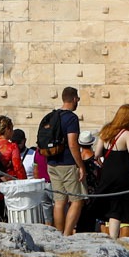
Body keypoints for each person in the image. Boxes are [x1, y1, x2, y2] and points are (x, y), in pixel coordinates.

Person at [38, 87, 85, 235]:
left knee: (59, 201)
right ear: (74, 99)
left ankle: (59, 234)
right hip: (67, 163)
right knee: (77, 200)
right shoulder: (71, 118)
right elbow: (72, 143)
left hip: (52, 162)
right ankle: (67, 234)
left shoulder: (51, 116)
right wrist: (81, 165)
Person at [89, 105, 129, 234]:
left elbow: (97, 154)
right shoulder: (127, 134)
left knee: (114, 209)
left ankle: (113, 239)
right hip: (123, 174)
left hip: (108, 173)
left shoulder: (105, 131)